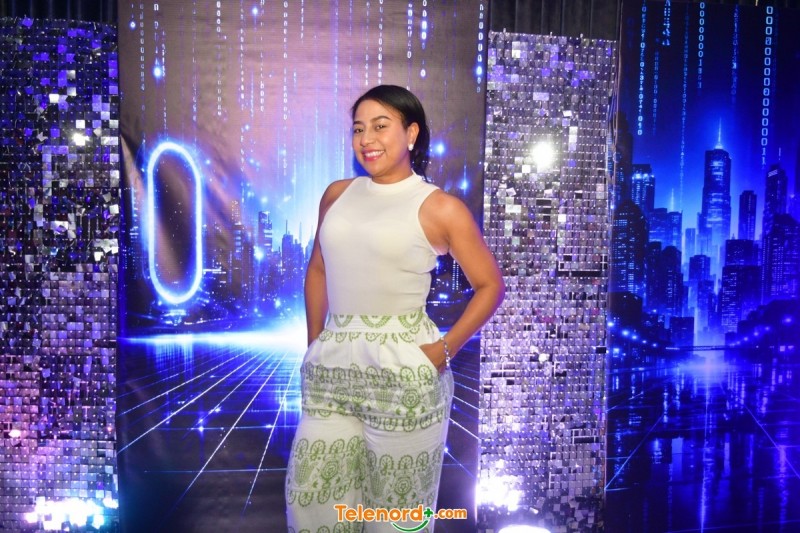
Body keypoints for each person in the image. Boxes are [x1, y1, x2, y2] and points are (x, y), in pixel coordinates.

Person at [285, 84, 504, 532]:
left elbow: (490, 286)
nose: (366, 139)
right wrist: (314, 345)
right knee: (310, 500)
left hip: (404, 372)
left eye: (380, 126)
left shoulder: (439, 207)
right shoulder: (336, 194)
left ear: (411, 134)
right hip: (332, 369)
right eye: (358, 129)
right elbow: (318, 270)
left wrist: (443, 350)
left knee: (395, 517)